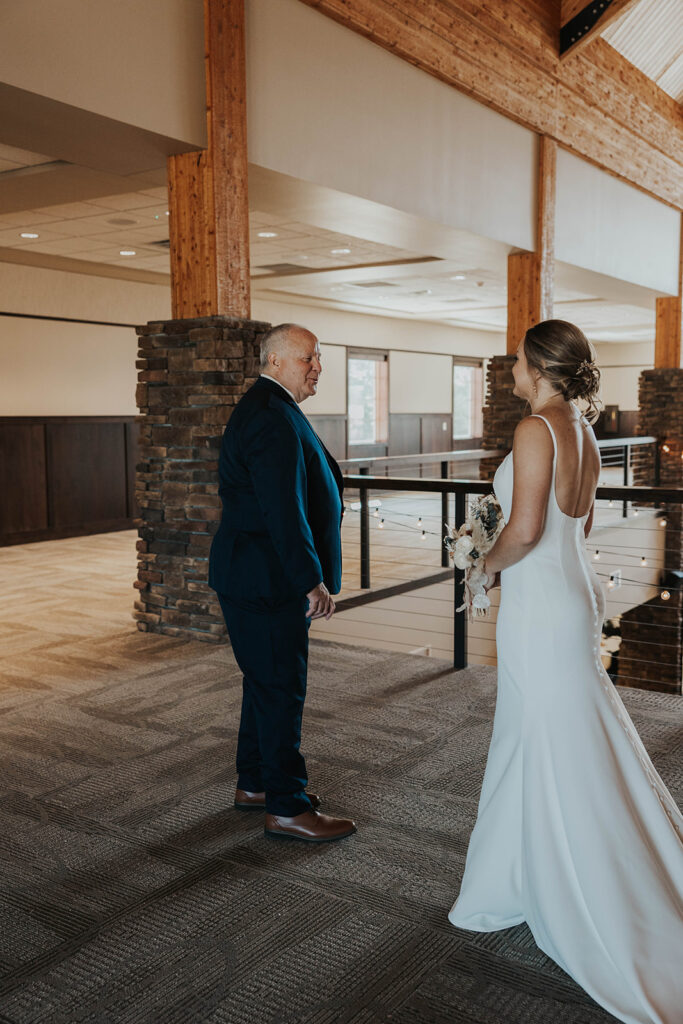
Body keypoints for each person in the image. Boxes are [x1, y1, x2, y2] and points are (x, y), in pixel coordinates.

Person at [448, 320, 683, 1023]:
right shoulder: (580, 430)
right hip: (572, 589)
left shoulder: (533, 429)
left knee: (545, 730)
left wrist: (477, 569)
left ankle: (580, 886)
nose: (510, 371)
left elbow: (521, 531)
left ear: (538, 366)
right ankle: (510, 874)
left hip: (542, 602)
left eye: (516, 362)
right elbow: (571, 528)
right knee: (539, 727)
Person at [209, 323, 356, 843]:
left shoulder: (272, 407)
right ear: (275, 362)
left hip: (252, 570)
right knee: (281, 689)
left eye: (319, 357)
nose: (317, 366)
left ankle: (255, 784)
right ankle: (288, 807)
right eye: (308, 358)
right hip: (267, 576)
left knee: (264, 682)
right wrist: (310, 581)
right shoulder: (271, 416)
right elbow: (283, 511)